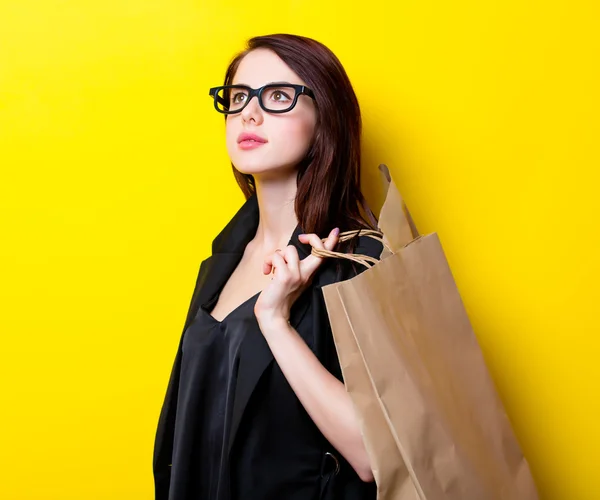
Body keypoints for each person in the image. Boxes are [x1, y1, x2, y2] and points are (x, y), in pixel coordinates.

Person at [153, 33, 383, 500]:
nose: (249, 114)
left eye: (278, 96)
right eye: (238, 97)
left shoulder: (359, 262)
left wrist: (275, 322)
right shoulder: (221, 262)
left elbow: (374, 453)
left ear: (326, 119)